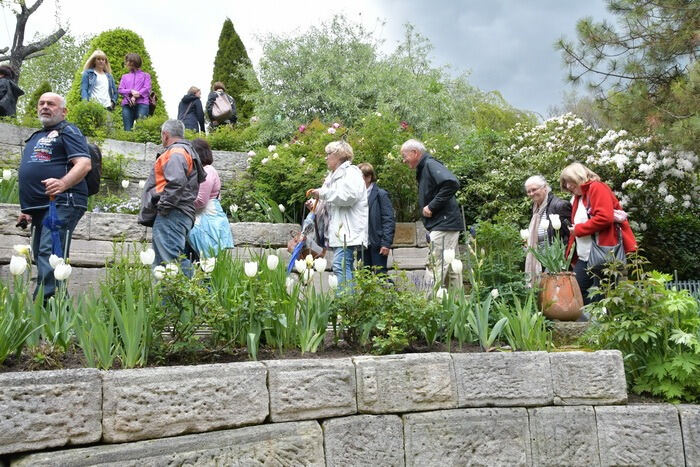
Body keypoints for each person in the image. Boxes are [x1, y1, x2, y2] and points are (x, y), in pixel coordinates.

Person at [17, 93, 91, 299]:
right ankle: (54, 317)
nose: (45, 107)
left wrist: (62, 183)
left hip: (63, 201)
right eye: (41, 103)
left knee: (50, 255)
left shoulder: (68, 131)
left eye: (51, 104)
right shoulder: (36, 136)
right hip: (40, 206)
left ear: (64, 111)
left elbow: (84, 164)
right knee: (42, 256)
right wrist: (26, 210)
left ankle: (48, 315)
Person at [560, 162, 637, 305]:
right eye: (566, 183)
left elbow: (604, 217)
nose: (568, 186)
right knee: (575, 291)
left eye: (570, 181)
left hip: (603, 254)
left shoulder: (597, 188)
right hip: (585, 256)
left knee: (603, 293)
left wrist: (578, 229)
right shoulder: (579, 197)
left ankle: (602, 320)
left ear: (579, 176)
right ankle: (597, 317)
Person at [138, 120, 206, 276]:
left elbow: (176, 182)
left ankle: (199, 293)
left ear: (165, 134)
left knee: (168, 262)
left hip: (172, 212)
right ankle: (198, 295)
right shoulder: (185, 151)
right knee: (174, 259)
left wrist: (164, 206)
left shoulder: (176, 153)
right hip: (180, 212)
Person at [400, 139, 464, 290]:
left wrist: (432, 206)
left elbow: (452, 182)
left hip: (444, 225)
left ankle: (429, 307)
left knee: (434, 267)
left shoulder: (429, 164)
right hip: (446, 224)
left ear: (415, 153)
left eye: (404, 156)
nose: (404, 160)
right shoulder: (425, 167)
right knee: (453, 271)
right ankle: (458, 308)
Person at [308, 140, 368, 288]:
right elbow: (331, 202)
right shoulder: (332, 176)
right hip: (339, 232)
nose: (325, 158)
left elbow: (348, 197)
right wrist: (316, 205)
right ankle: (348, 303)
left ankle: (346, 304)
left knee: (340, 265)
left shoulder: (351, 172)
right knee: (343, 266)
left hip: (347, 232)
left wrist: (322, 194)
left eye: (328, 154)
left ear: (339, 155)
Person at [187, 138, 234, 259]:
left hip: (207, 222)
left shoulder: (206, 171)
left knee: (206, 260)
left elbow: (201, 200)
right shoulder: (206, 170)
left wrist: (181, 203)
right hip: (208, 218)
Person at [523, 174, 572, 284]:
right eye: (528, 191)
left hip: (555, 261)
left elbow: (569, 236)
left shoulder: (560, 205)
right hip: (540, 259)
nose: (531, 193)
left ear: (545, 187)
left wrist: (562, 258)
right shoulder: (536, 208)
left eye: (534, 189)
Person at [357, 162, 395, 274]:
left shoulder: (381, 194)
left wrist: (386, 243)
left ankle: (391, 292)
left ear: (368, 177)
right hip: (362, 243)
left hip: (377, 243)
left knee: (380, 276)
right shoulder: (357, 196)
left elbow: (388, 219)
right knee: (363, 277)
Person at [117, 53, 151, 131]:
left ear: (133, 62)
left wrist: (136, 95)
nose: (126, 63)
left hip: (142, 103)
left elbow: (147, 88)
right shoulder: (124, 76)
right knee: (127, 129)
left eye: (127, 61)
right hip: (127, 104)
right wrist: (131, 91)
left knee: (140, 128)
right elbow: (120, 90)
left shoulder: (146, 76)